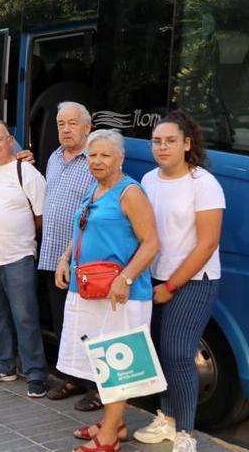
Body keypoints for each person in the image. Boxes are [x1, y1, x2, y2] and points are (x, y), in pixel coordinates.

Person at [54, 129, 160, 452]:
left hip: (119, 294)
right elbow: (83, 227)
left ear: (121, 158)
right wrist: (65, 256)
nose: (97, 161)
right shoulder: (97, 188)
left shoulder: (130, 192)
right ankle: (118, 423)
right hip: (90, 289)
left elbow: (152, 242)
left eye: (105, 156)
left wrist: (125, 278)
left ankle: (110, 435)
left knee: (117, 361)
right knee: (100, 359)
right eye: (94, 155)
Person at [134, 111, 225, 452]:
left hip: (193, 281)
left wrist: (171, 286)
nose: (163, 147)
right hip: (153, 279)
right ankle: (167, 419)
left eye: (171, 141)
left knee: (178, 354)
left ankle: (186, 433)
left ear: (187, 144)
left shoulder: (204, 184)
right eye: (157, 141)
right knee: (158, 352)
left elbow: (207, 244)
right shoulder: (147, 181)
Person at [0, 120, 49, 398]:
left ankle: (35, 372)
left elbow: (41, 217)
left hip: (18, 257)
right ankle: (4, 364)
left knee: (25, 317)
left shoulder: (26, 172)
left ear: (9, 141)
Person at [38, 102, 100, 410]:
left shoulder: (96, 161)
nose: (65, 129)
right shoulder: (53, 158)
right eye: (61, 123)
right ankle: (72, 378)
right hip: (52, 257)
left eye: (72, 123)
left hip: (82, 259)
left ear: (88, 127)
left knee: (89, 325)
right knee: (65, 323)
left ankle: (98, 386)